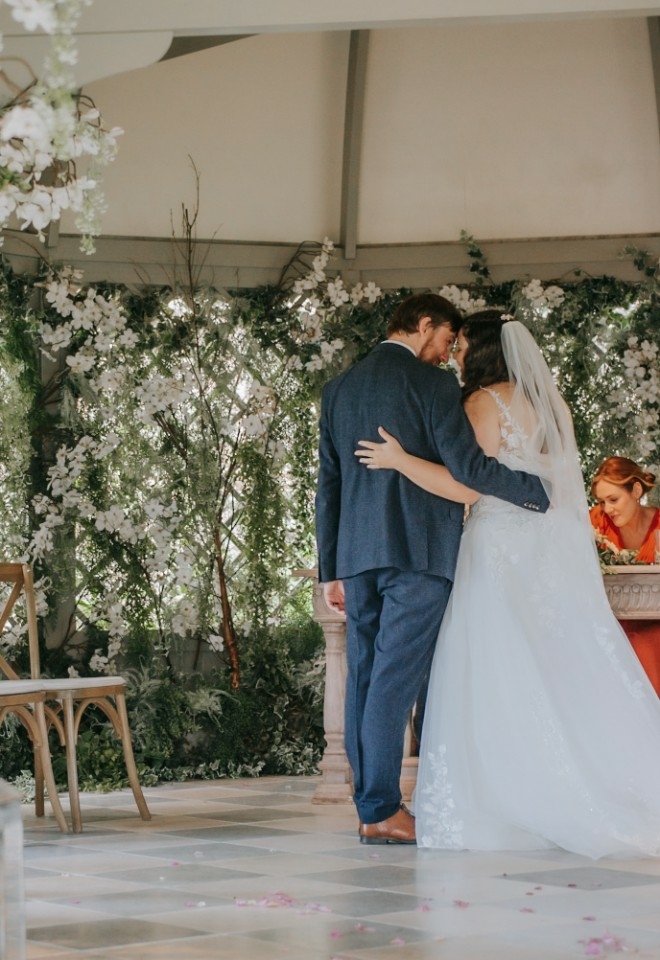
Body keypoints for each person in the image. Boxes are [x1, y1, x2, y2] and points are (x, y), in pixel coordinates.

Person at [355, 310, 660, 858]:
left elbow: (467, 486)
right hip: (544, 550)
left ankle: (505, 793)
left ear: (486, 350)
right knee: (552, 663)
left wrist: (398, 460)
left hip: (496, 548)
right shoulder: (549, 404)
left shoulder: (481, 403)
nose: (458, 355)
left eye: (465, 345)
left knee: (492, 664)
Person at [315, 293, 550, 846]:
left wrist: (331, 569)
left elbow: (329, 485)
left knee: (366, 679)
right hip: (418, 556)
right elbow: (469, 469)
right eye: (446, 340)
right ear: (424, 326)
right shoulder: (434, 386)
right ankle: (382, 811)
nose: (448, 354)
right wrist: (538, 490)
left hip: (355, 557)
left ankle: (372, 806)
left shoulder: (339, 389)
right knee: (393, 682)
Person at [590, 457, 660, 694]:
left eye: (613, 499)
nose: (607, 509)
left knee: (643, 643)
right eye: (601, 501)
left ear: (636, 490)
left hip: (654, 621)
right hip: (609, 619)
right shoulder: (596, 522)